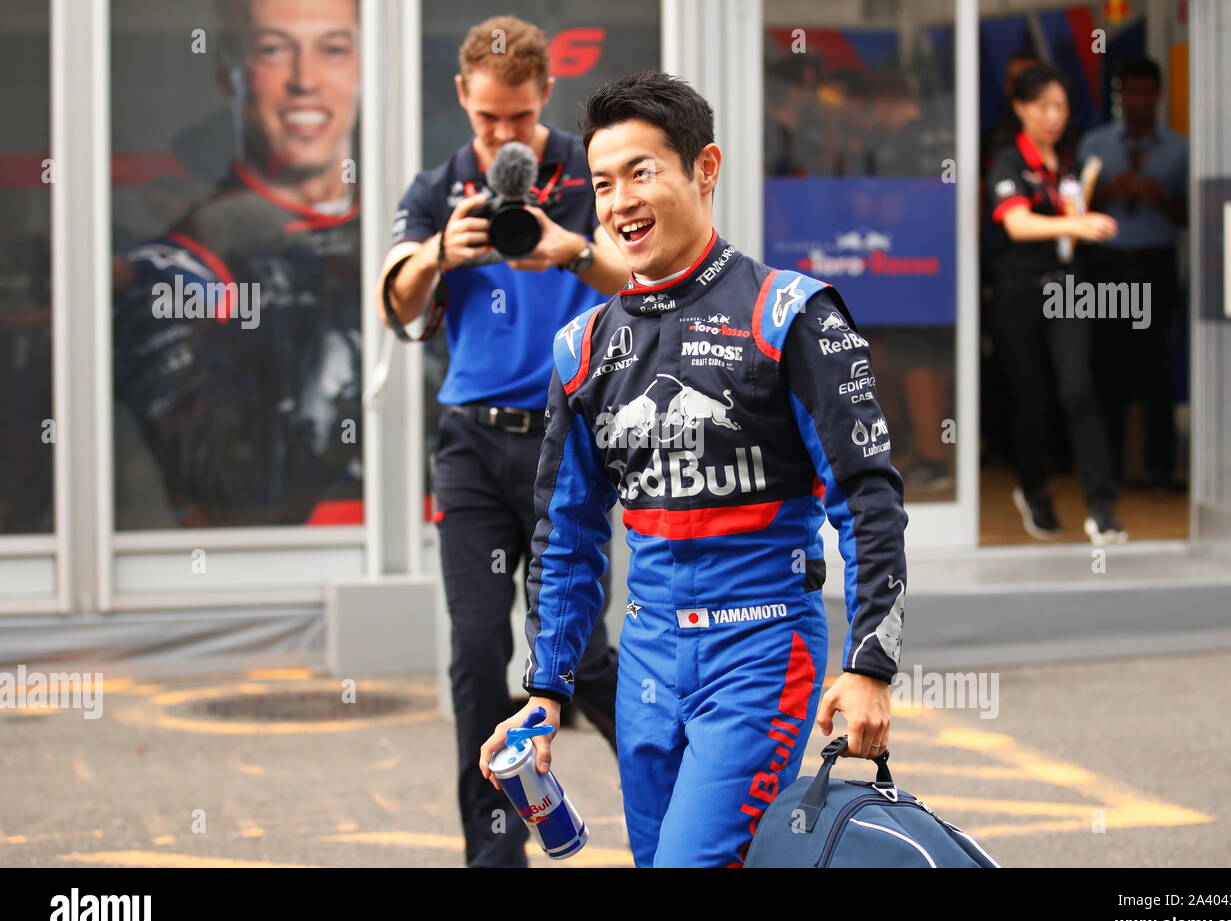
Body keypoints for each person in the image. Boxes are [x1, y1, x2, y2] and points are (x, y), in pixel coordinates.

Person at [478, 70, 910, 868]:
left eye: (643, 172)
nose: (620, 203)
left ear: (704, 168)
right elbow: (566, 535)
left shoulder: (790, 313)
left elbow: (866, 495)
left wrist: (869, 662)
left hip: (762, 648)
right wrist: (546, 688)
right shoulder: (580, 350)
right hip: (645, 659)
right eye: (604, 183)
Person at [377, 16, 627, 869]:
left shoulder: (590, 173)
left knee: (582, 656)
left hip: (570, 447)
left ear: (543, 97)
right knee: (479, 652)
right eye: (488, 120)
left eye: (518, 119)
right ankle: (494, 857)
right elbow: (395, 303)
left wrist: (571, 250)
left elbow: (651, 281)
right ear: (462, 99)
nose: (503, 136)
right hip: (473, 449)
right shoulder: (441, 184)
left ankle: (691, 805)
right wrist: (442, 250)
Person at [114, 0, 364, 527]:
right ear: (230, 71)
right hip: (262, 571)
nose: (305, 80)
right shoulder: (179, 267)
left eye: (334, 49)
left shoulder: (415, 233)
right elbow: (233, 487)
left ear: (366, 66)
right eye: (273, 49)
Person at [987, 64, 1126, 543]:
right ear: (1022, 108)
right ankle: (1034, 490)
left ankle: (1103, 508)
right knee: (1031, 398)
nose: (1053, 116)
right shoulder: (1009, 161)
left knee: (1078, 390)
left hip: (1066, 286)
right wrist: (1075, 226)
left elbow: (1070, 221)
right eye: (1043, 106)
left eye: (1061, 107)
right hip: (1017, 290)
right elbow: (1017, 224)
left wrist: (1083, 220)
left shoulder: (1068, 163)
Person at [1079, 57, 1188, 493]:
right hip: (1106, 265)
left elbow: (1195, 217)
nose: (1139, 101)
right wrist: (1107, 192)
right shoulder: (1096, 144)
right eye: (1132, 92)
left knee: (1154, 368)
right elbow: (1072, 210)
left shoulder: (1181, 150)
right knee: (1108, 367)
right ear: (1120, 95)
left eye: (1147, 93)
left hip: (1154, 263)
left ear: (1158, 95)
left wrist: (1159, 197)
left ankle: (1160, 472)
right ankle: (1109, 474)